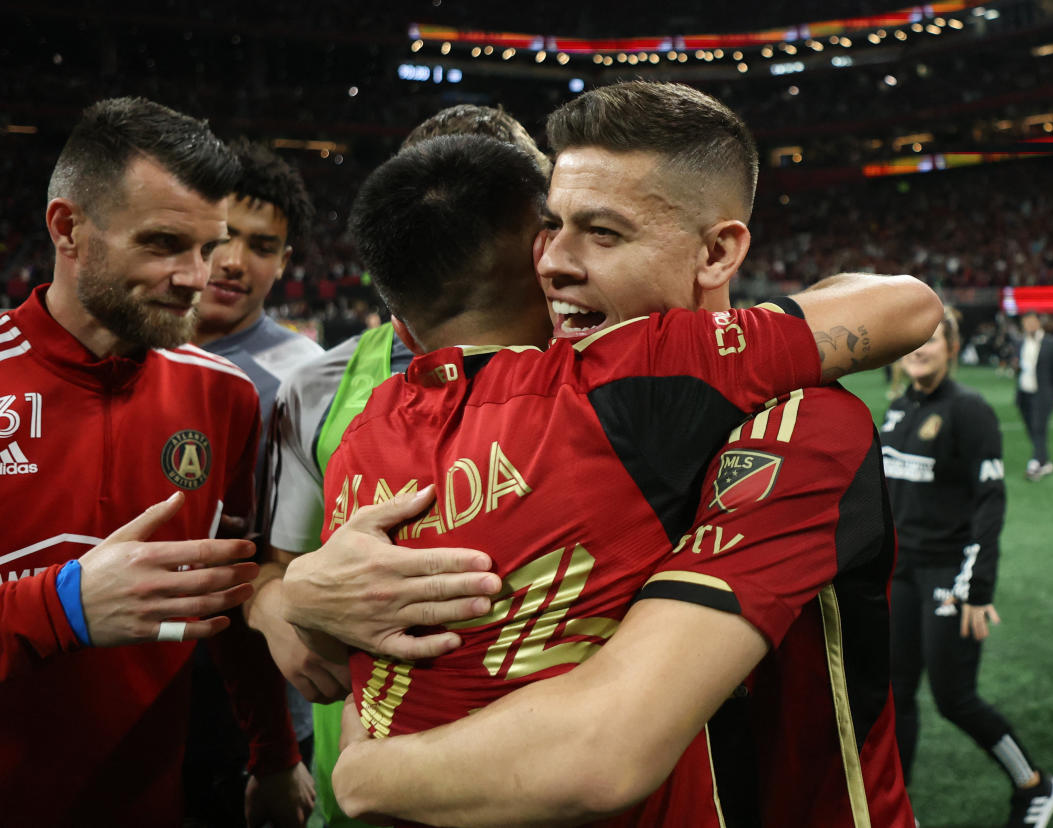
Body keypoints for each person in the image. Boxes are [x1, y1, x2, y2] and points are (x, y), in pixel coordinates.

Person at [291, 82, 937, 826]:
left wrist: (368, 775)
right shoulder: (526, 420)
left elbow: (603, 745)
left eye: (603, 232)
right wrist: (303, 594)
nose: (553, 262)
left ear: (718, 251)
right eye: (550, 227)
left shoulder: (802, 424)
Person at [0, 97, 298, 826]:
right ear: (67, 229)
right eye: (165, 244)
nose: (198, 277)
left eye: (208, 246)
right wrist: (61, 606)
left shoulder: (223, 396)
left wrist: (275, 757)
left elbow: (225, 599)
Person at [250, 105, 551, 828]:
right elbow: (274, 567)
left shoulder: (611, 377)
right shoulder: (321, 388)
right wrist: (281, 615)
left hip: (549, 777)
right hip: (365, 778)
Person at [881, 310, 1053, 828]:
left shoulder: (969, 410)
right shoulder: (897, 410)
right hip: (900, 574)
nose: (920, 348)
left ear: (952, 347)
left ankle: (1035, 785)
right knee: (896, 694)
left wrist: (977, 589)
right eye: (913, 339)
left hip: (949, 576)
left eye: (932, 339)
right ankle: (898, 811)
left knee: (954, 698)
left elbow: (990, 502)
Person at [187, 137, 321, 828]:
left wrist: (275, 750)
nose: (236, 262)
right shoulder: (130, 349)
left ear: (284, 263)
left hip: (258, 690)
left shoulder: (307, 379)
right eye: (222, 237)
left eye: (262, 246)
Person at [1014, 311, 1053, 481]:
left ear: (1038, 322)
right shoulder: (1020, 342)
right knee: (1031, 428)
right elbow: (1018, 365)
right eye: (1026, 323)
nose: (1029, 325)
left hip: (1043, 393)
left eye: (1032, 322)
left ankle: (1037, 462)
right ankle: (1044, 459)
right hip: (1024, 392)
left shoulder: (1050, 344)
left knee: (1038, 427)